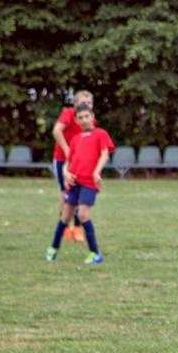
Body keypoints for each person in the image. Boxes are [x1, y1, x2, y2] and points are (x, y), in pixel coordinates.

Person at [45, 107, 114, 265]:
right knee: (65, 216)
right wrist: (65, 172)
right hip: (74, 182)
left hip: (89, 182)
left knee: (82, 215)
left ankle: (95, 253)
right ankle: (53, 248)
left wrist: (96, 172)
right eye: (80, 117)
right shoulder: (75, 139)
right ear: (76, 121)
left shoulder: (100, 134)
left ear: (92, 117)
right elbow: (68, 161)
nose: (84, 120)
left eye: (86, 116)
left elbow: (105, 153)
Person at [51, 90, 94, 243]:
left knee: (79, 192)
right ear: (75, 104)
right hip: (63, 159)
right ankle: (65, 228)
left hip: (80, 162)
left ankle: (77, 228)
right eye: (83, 102)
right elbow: (56, 131)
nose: (86, 106)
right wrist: (68, 150)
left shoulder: (90, 121)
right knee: (66, 192)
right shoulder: (69, 114)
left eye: (89, 103)